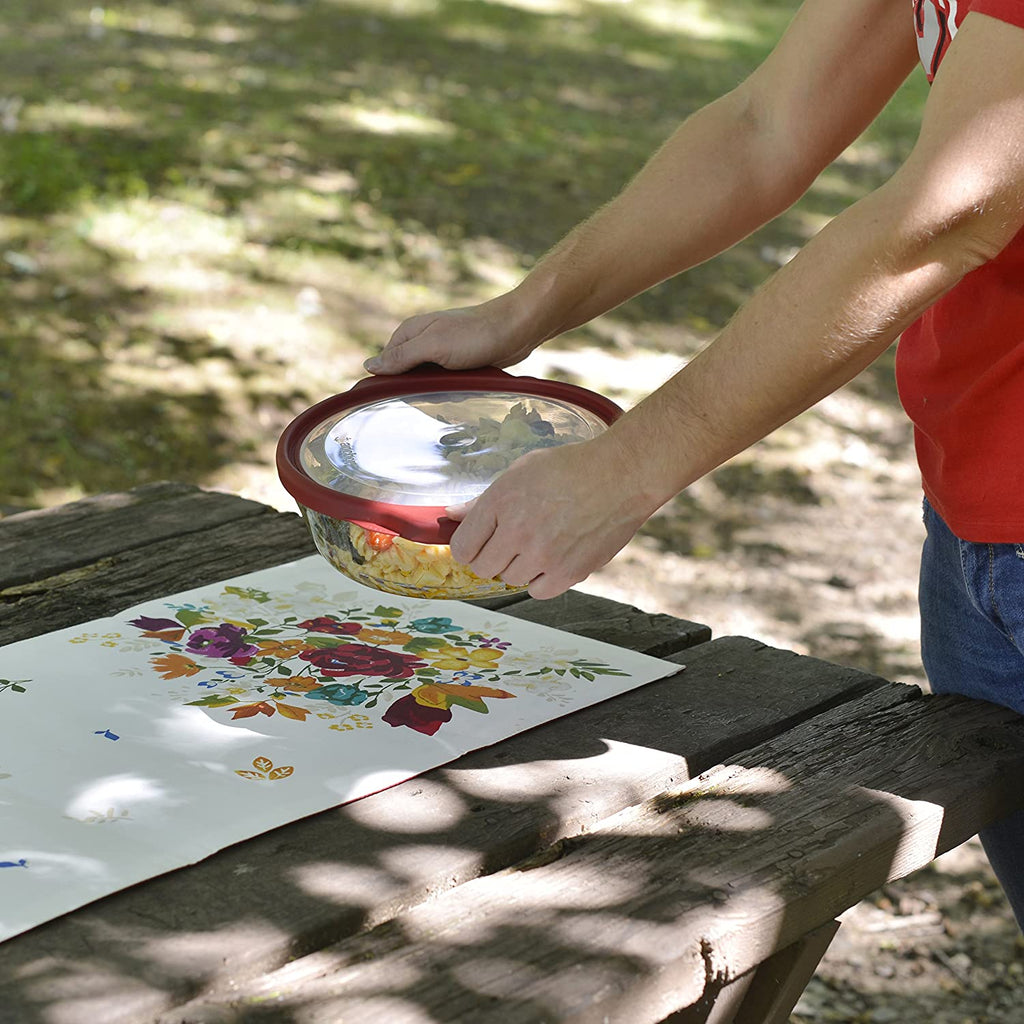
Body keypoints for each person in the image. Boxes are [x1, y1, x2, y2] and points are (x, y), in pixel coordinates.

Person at [366, 0, 1024, 924]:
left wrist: (625, 467)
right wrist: (523, 311)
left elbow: (947, 213)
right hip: (977, 524)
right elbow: (764, 128)